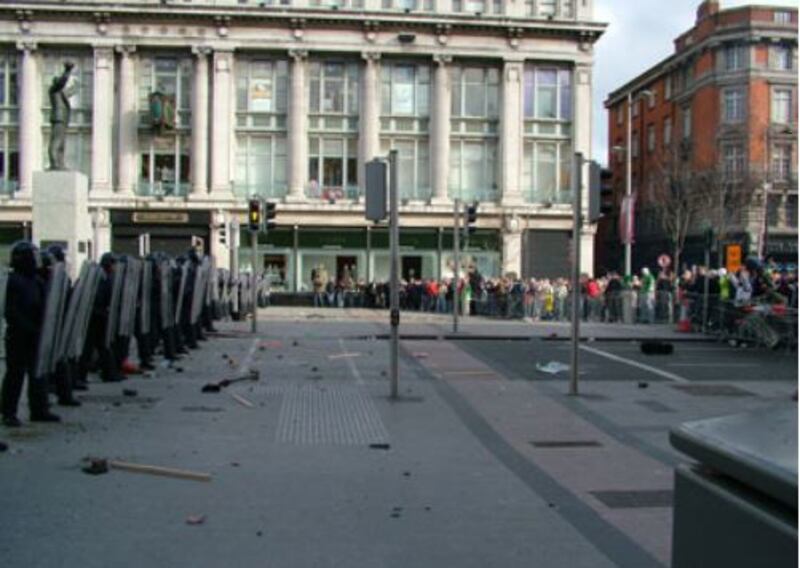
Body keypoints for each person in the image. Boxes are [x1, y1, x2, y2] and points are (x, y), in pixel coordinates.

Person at [1, 241, 60, 426]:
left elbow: (45, 307)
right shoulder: (12, 281)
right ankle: (9, 412)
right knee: (15, 375)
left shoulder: (37, 281)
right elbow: (10, 310)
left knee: (38, 373)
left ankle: (39, 409)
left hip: (37, 333)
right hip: (19, 335)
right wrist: (27, 327)